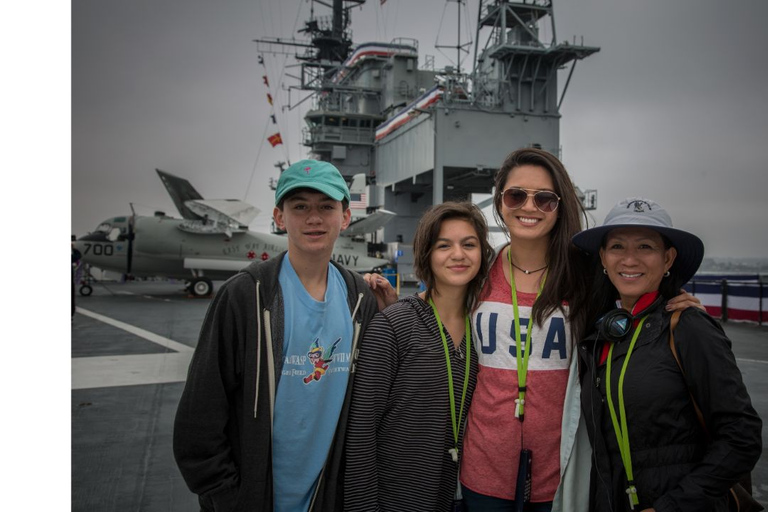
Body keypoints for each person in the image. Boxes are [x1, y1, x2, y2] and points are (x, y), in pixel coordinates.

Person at [173, 159, 379, 512]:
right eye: (299, 207)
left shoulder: (359, 298)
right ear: (279, 217)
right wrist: (227, 498)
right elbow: (199, 417)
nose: (313, 218)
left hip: (329, 498)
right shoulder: (245, 296)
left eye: (326, 206)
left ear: (344, 217)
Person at [572, 197, 761, 512]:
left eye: (645, 247)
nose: (629, 260)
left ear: (668, 259)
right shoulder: (602, 333)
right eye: (617, 247)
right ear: (603, 257)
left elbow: (742, 436)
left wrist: (671, 507)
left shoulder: (689, 327)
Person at [345, 202, 494, 511]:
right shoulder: (393, 326)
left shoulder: (482, 328)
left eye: (469, 244)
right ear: (426, 254)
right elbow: (360, 433)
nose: (458, 254)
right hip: (396, 500)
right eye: (444, 245)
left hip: (459, 497)